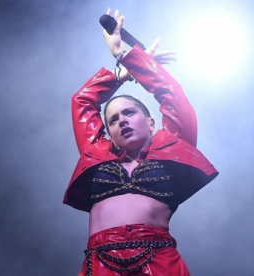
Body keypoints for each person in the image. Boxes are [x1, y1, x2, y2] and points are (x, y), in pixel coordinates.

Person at [64, 9, 219, 276]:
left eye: (129, 112)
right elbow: (82, 101)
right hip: (100, 260)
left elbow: (171, 94)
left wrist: (127, 56)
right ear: (108, 132)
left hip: (158, 258)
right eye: (112, 120)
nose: (121, 121)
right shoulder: (96, 152)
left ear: (150, 122)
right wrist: (121, 74)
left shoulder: (174, 145)